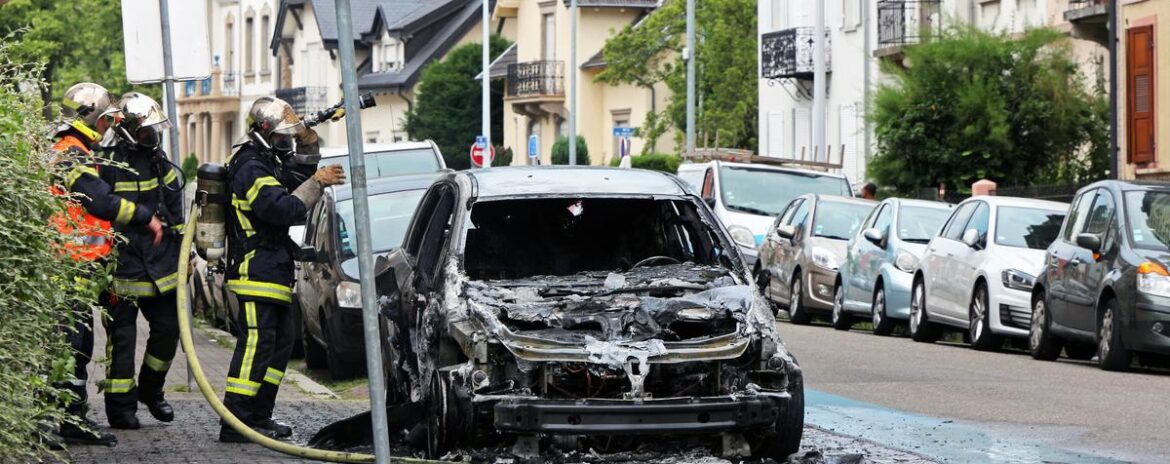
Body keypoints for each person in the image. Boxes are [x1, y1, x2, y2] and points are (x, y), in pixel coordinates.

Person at [219, 97, 345, 442]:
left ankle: (259, 415)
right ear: (263, 131)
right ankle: (236, 420)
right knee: (257, 343)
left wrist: (308, 140)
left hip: (272, 267)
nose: (286, 142)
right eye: (283, 136)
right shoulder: (250, 167)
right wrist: (318, 182)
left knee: (279, 343)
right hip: (254, 267)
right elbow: (282, 208)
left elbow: (296, 176)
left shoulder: (267, 161)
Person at [67, 92, 183, 429]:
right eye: (146, 130)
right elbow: (98, 208)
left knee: (168, 330)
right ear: (128, 129)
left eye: (154, 130)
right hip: (121, 263)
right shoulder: (103, 161)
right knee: (123, 338)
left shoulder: (159, 159)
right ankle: (120, 408)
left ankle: (151, 389)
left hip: (161, 262)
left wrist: (185, 252)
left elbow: (175, 208)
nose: (152, 136)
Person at [48, 82, 119, 447]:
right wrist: (142, 215)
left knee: (77, 345)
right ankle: (58, 422)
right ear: (91, 118)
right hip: (64, 272)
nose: (108, 128)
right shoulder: (69, 154)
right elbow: (101, 203)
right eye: (105, 121)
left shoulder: (74, 151)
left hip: (75, 271)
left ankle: (69, 419)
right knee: (68, 346)